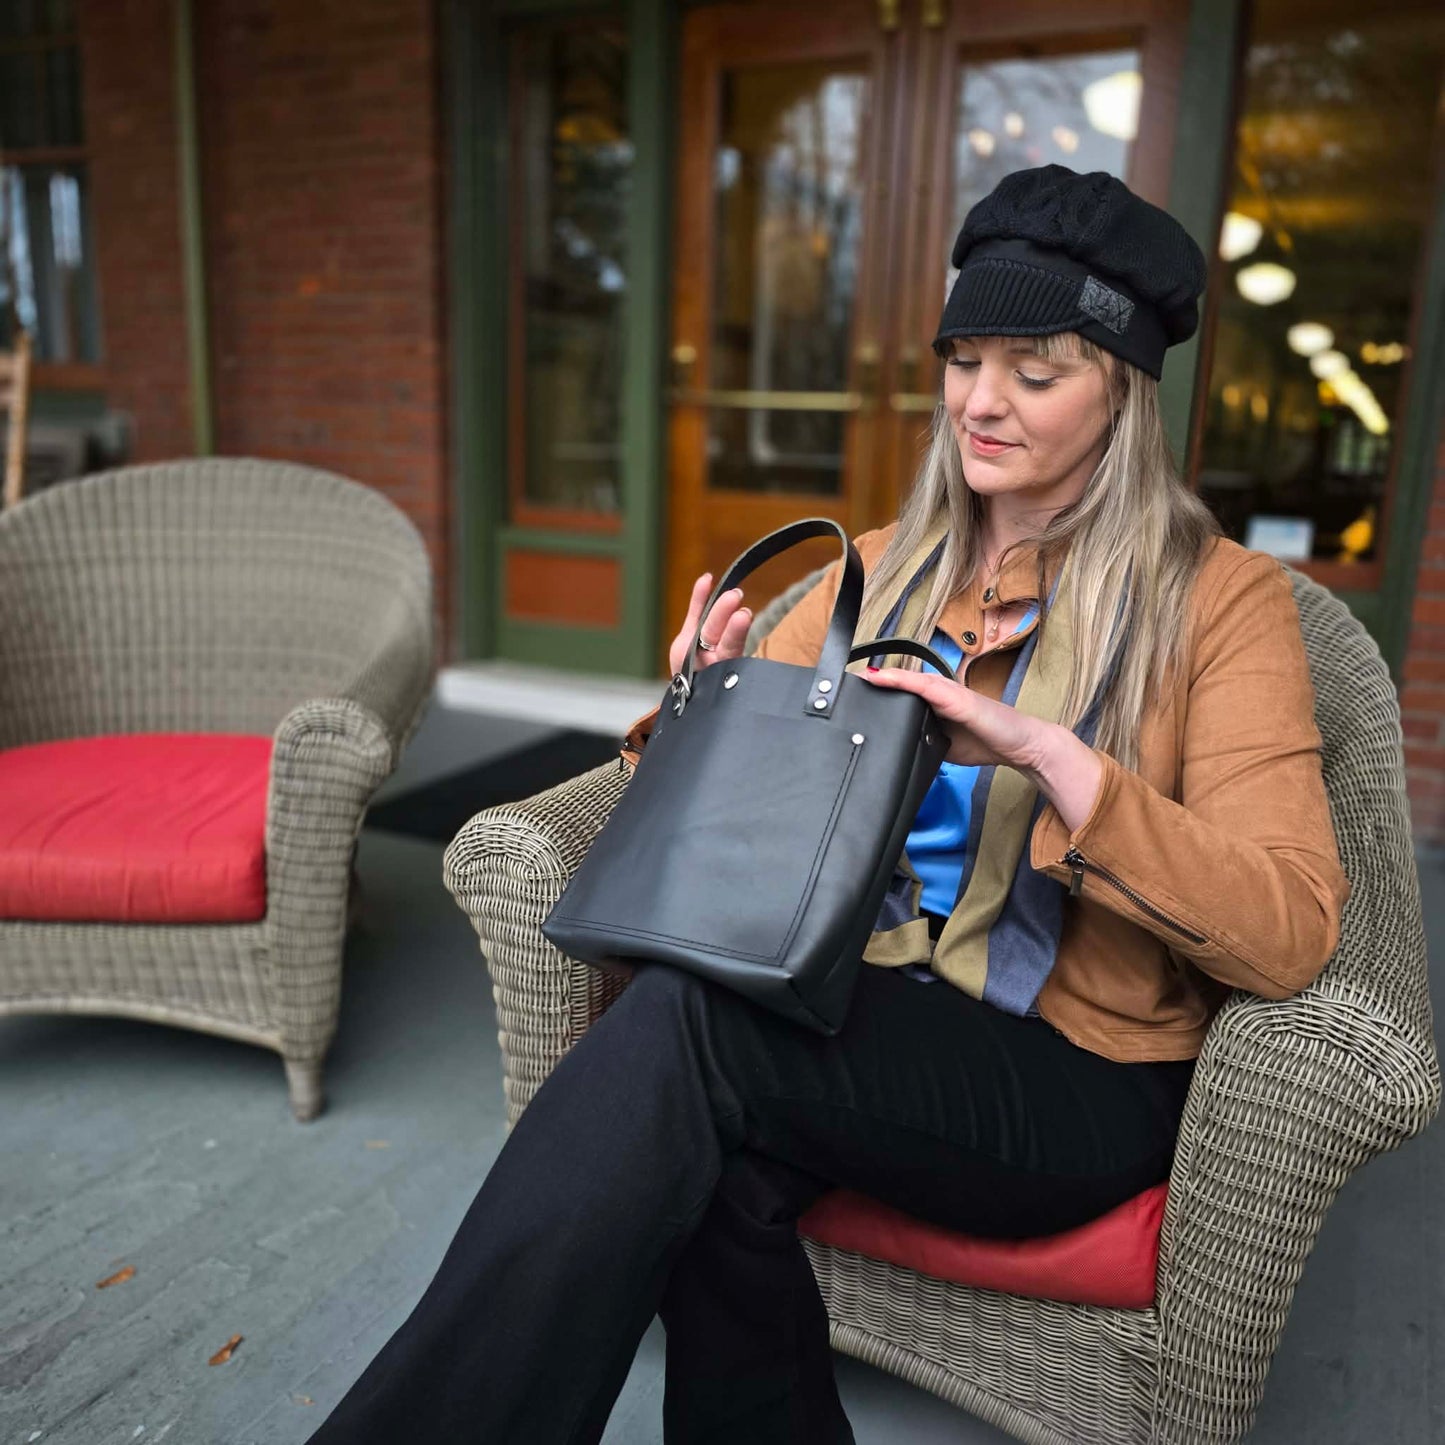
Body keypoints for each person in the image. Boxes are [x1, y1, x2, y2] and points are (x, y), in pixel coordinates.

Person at [307, 166, 1349, 1445]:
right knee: (712, 1170)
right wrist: (699, 703)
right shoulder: (884, 567)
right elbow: (711, 806)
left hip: (1071, 1072)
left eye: (1035, 370)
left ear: (1121, 388)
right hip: (864, 1003)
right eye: (964, 357)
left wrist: (1048, 754)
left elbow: (1291, 922)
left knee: (693, 1028)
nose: (978, 401)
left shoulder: (1222, 603)